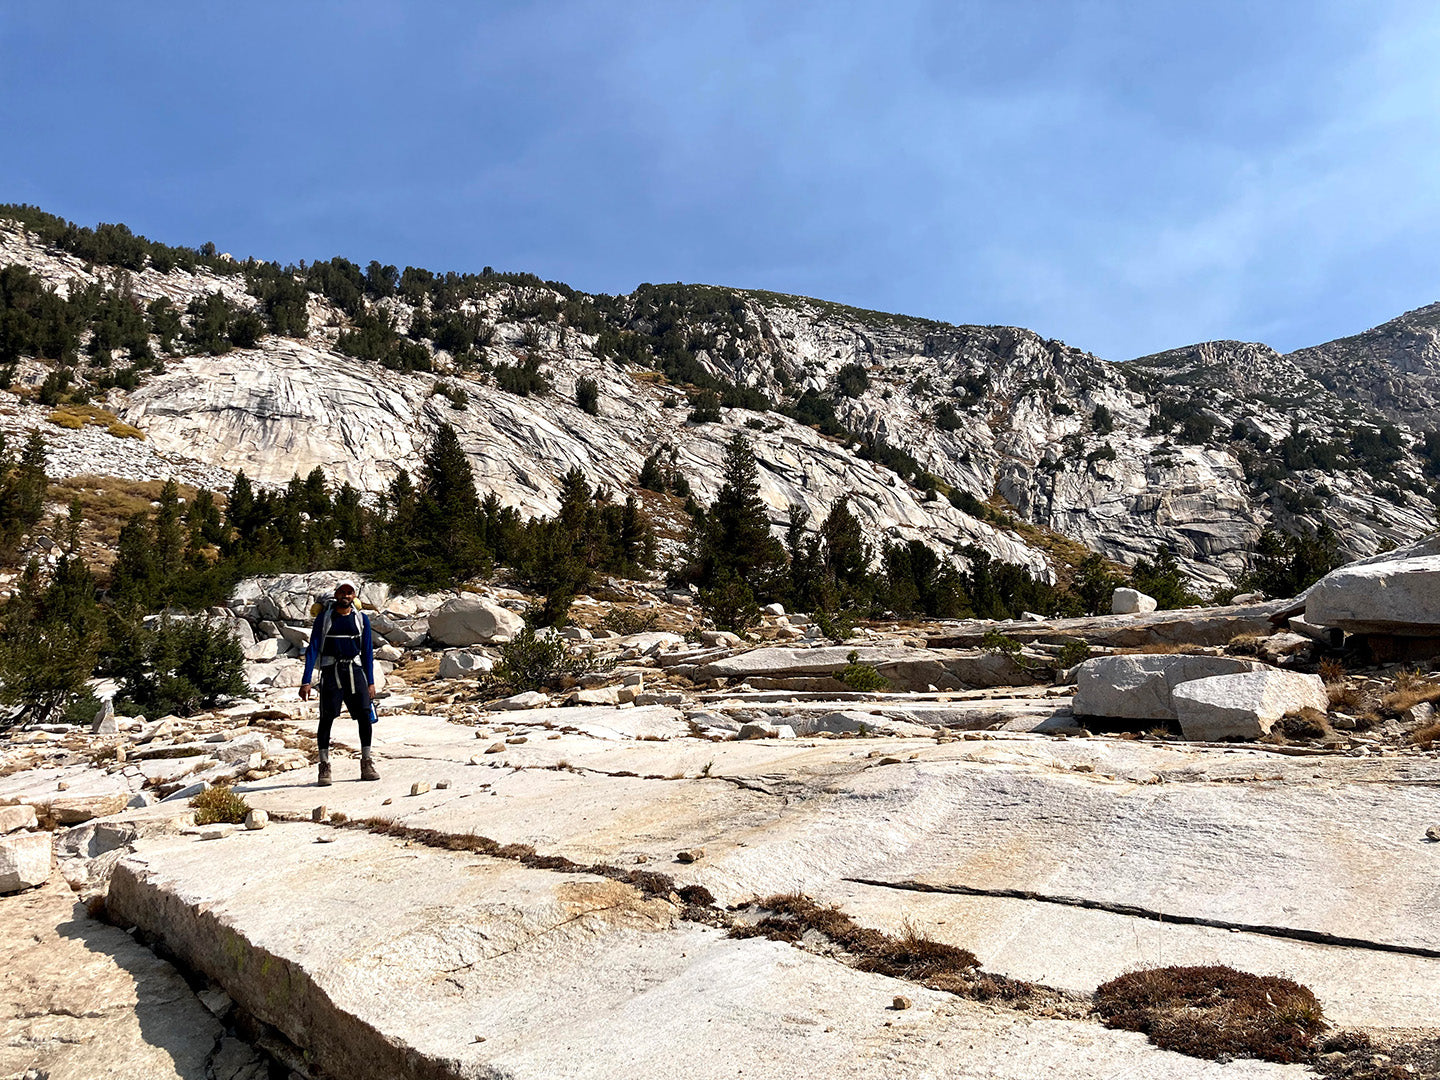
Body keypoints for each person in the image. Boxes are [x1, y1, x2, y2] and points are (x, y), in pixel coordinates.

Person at [299, 581, 378, 785]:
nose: (345, 595)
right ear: (335, 595)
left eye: (349, 592)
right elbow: (313, 648)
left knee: (364, 716)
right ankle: (324, 767)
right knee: (326, 718)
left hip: (355, 671)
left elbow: (367, 651)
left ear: (354, 596)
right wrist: (306, 680)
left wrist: (371, 682)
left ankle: (367, 762)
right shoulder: (325, 618)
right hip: (331, 672)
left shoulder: (362, 619)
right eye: (342, 592)